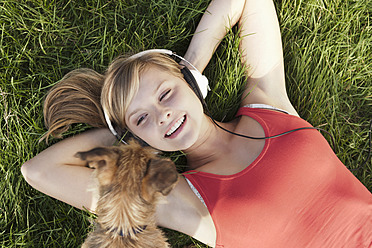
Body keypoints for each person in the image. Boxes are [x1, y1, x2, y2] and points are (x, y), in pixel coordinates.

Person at [21, 0, 372, 247]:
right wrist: (124, 134)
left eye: (166, 94)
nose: (163, 115)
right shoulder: (185, 201)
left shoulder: (269, 106)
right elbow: (40, 171)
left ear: (189, 83)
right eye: (142, 117)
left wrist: (191, 67)